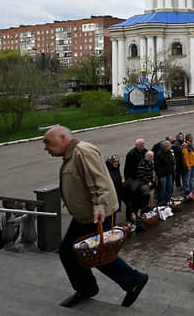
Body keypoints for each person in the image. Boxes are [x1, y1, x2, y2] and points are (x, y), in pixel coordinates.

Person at [42, 126, 148, 308]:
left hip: (98, 214)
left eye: (48, 143)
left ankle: (134, 280)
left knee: (97, 255)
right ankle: (86, 288)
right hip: (84, 216)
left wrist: (99, 204)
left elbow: (100, 180)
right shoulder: (71, 154)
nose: (46, 148)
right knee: (69, 252)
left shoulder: (83, 151)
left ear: (62, 138)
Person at [154, 141, 175, 206]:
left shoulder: (169, 152)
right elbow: (157, 166)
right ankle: (161, 201)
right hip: (163, 175)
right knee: (162, 189)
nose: (170, 147)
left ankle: (167, 200)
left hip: (170, 173)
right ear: (165, 147)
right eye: (169, 146)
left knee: (169, 187)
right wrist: (160, 176)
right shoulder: (159, 154)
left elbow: (172, 161)